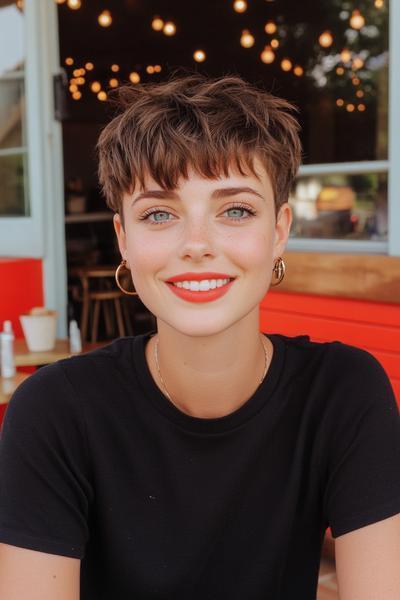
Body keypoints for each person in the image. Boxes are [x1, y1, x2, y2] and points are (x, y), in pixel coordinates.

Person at [0, 73, 399, 600]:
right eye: (159, 213)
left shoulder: (343, 392)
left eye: (235, 209)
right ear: (123, 237)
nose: (196, 245)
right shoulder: (54, 411)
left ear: (279, 230)